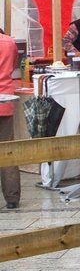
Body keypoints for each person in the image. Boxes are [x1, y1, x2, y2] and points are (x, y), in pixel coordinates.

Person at [0, 27, 21, 209]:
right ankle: (12, 197)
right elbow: (14, 66)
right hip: (5, 99)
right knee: (8, 149)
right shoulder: (9, 42)